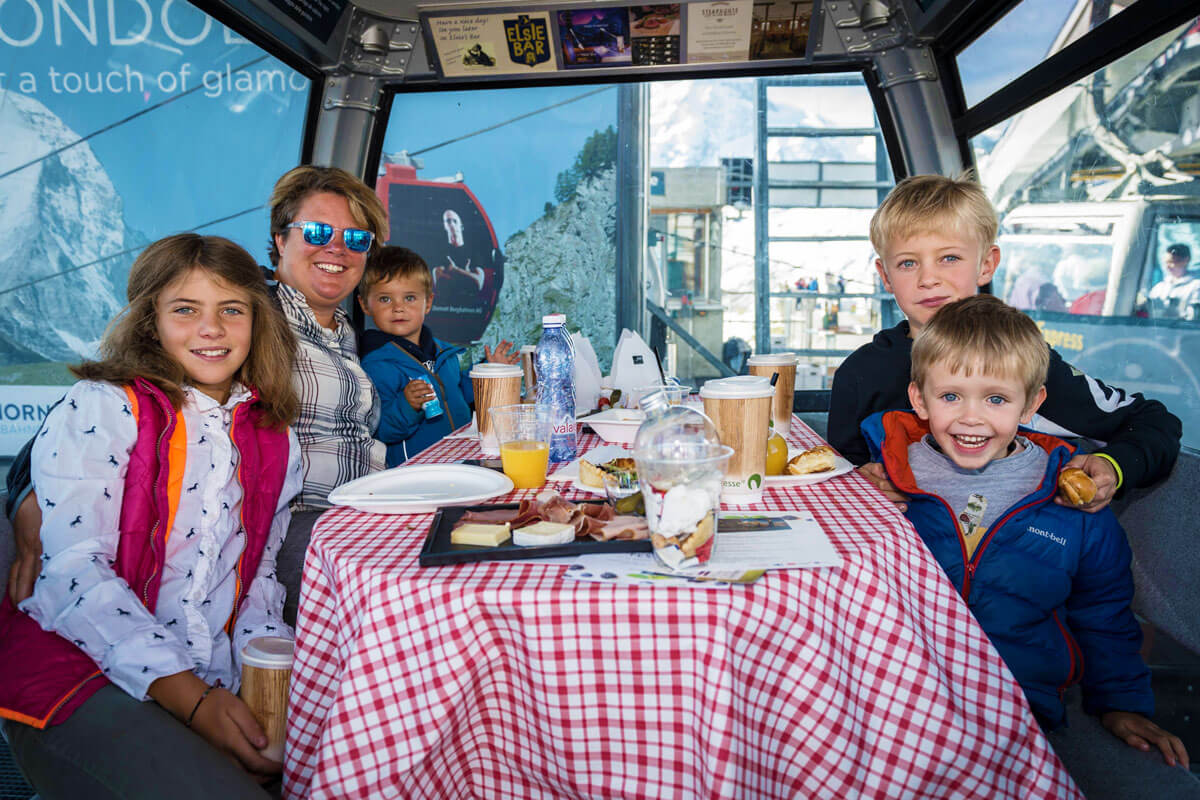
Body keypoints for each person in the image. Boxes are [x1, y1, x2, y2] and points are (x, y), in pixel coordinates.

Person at [8, 165, 390, 626]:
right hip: (295, 526)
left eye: (356, 239)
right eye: (317, 231)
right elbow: (89, 412)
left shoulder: (344, 334)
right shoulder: (245, 320)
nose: (337, 248)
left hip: (359, 513)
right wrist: (28, 505)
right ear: (280, 239)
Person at [0, 234, 304, 799]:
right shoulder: (102, 406)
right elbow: (74, 572)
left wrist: (264, 688)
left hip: (210, 668)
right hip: (79, 665)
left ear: (257, 323)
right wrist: (194, 701)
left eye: (231, 310)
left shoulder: (275, 437)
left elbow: (257, 579)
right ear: (150, 323)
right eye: (185, 310)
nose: (210, 329)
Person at [860, 295, 1197, 798]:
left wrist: (1120, 702)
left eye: (996, 399)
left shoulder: (1070, 500)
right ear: (920, 398)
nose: (971, 418)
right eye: (951, 396)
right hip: (901, 699)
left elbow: (1102, 612)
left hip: (1023, 702)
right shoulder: (882, 480)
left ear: (1032, 403)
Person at [828, 174, 1181, 513]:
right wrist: (858, 483)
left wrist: (1112, 465)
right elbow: (835, 471)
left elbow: (1153, 422)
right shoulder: (860, 374)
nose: (928, 279)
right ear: (885, 276)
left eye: (949, 258)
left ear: (986, 265)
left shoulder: (1026, 364)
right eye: (908, 263)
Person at [357, 246, 517, 466]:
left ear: (429, 302)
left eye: (410, 298)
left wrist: (489, 370)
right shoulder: (375, 365)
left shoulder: (444, 352)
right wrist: (407, 405)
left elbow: (461, 396)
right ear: (365, 304)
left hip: (464, 466)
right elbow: (379, 431)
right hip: (417, 479)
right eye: (385, 299)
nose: (398, 308)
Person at [1147, 243, 1200, 320]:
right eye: (1166, 262)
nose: (1167, 267)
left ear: (1186, 260)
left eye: (1171, 262)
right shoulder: (1159, 287)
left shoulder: (1196, 286)